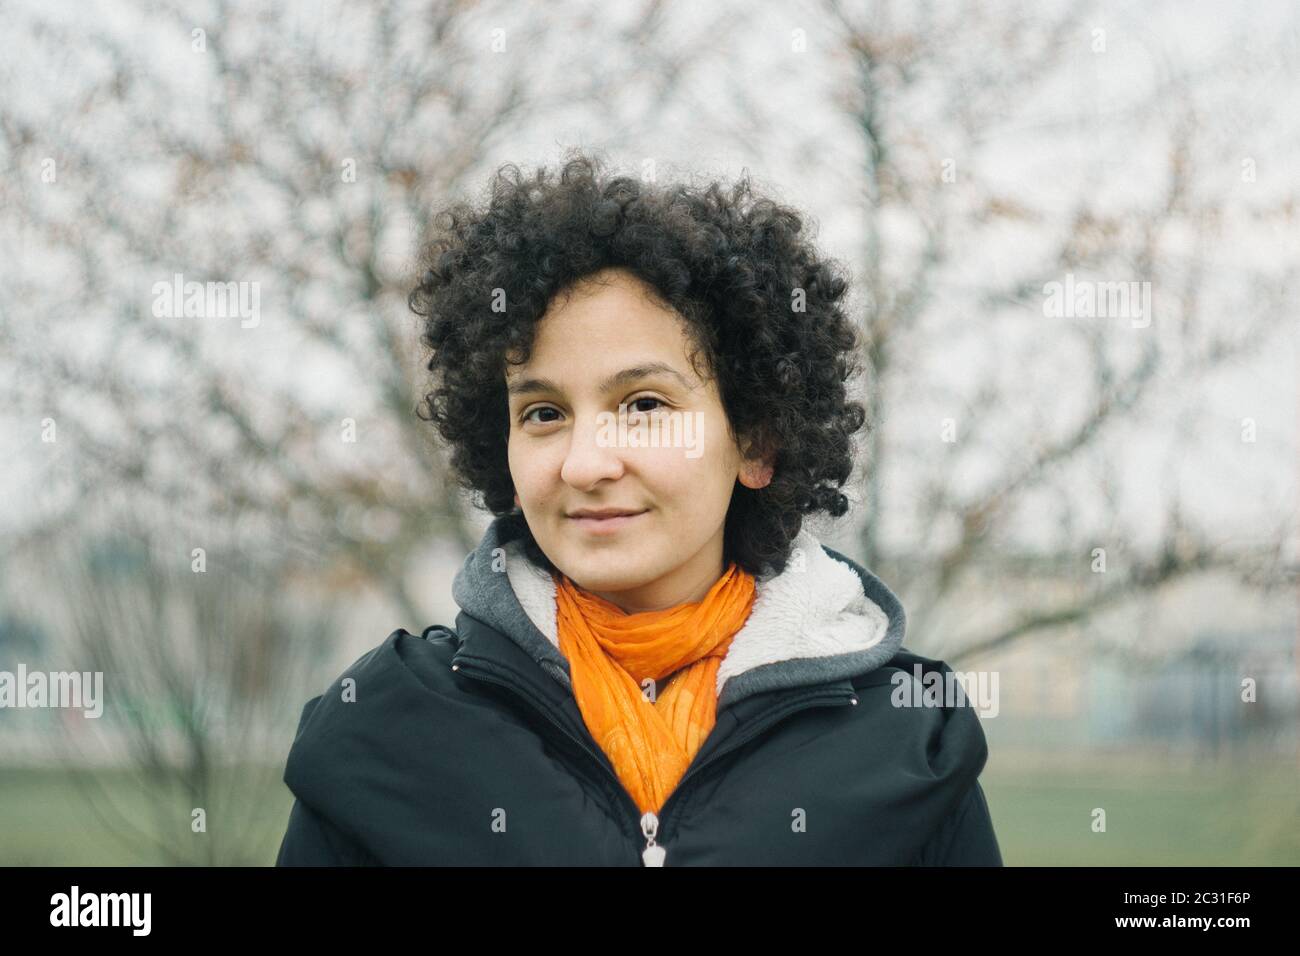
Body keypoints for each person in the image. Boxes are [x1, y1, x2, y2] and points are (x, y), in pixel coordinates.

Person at [275, 151, 1002, 866]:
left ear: (756, 443)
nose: (587, 462)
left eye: (644, 405)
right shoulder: (383, 731)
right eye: (543, 413)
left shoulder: (911, 740)